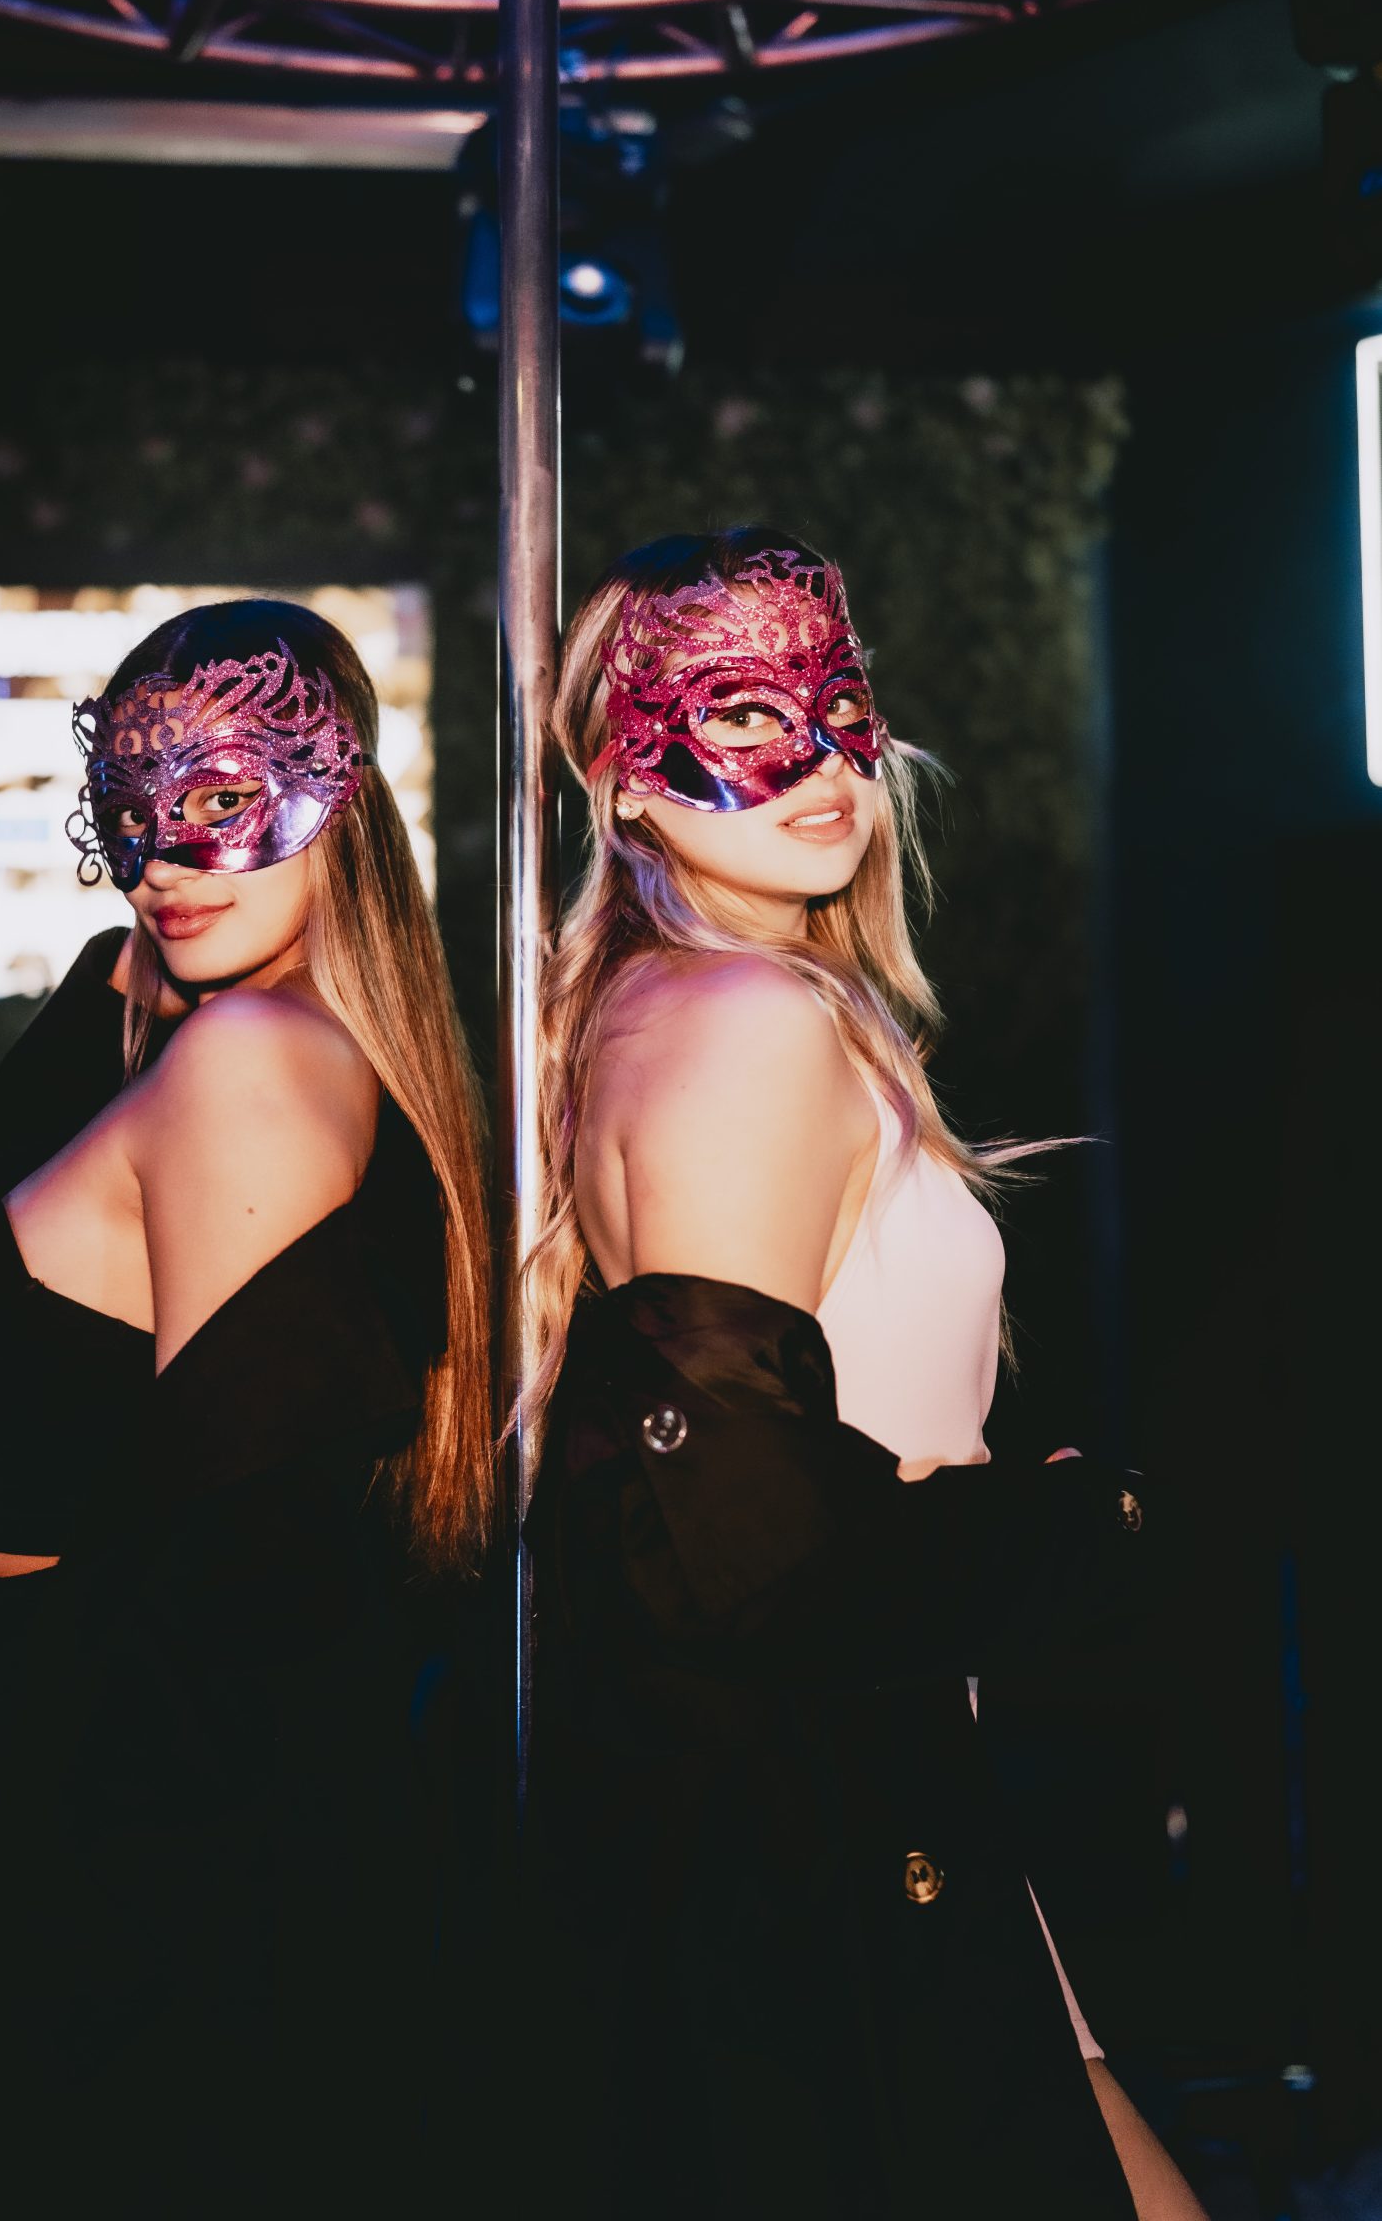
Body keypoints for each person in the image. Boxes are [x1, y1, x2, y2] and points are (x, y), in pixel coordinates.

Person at [0, 600, 493, 2221]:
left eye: (221, 800)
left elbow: (238, 1577)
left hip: (95, 1813)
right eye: (129, 811)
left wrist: (71, 1926)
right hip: (37, 1779)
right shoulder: (227, 1038)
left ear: (340, 792)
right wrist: (121, 965)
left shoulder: (250, 1063)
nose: (163, 857)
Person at [523, 528, 1207, 2221]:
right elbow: (750, 1547)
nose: (824, 760)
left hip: (876, 1793)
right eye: (746, 717)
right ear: (625, 776)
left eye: (839, 707)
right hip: (823, 1828)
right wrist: (1084, 1525)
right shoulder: (741, 1026)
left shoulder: (702, 1009)